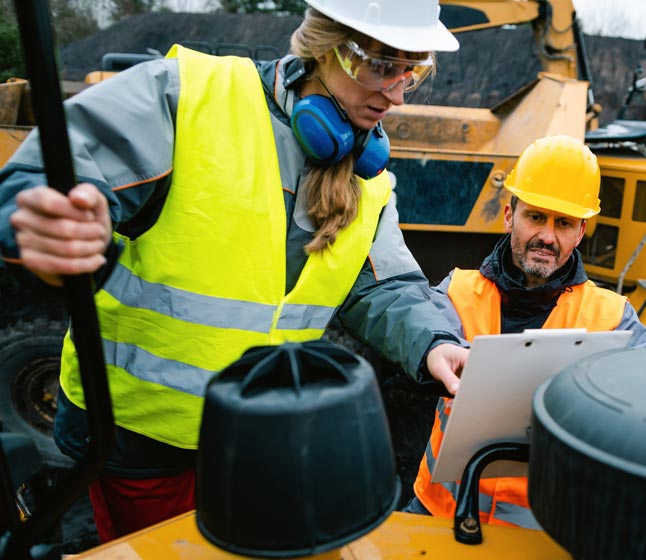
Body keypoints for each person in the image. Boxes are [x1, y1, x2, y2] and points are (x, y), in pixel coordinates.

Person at [0, 0, 467, 543]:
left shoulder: (366, 180)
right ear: (323, 46)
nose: (396, 94)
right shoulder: (188, 96)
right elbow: (55, 170)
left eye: (413, 70)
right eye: (382, 65)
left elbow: (385, 285)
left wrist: (434, 341)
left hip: (259, 436)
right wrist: (43, 212)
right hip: (140, 437)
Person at [406, 134, 646, 529]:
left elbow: (643, 415)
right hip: (440, 514)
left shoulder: (614, 320)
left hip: (544, 532)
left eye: (564, 223)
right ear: (509, 216)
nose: (547, 237)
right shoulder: (456, 294)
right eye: (536, 217)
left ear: (581, 232)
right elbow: (416, 339)